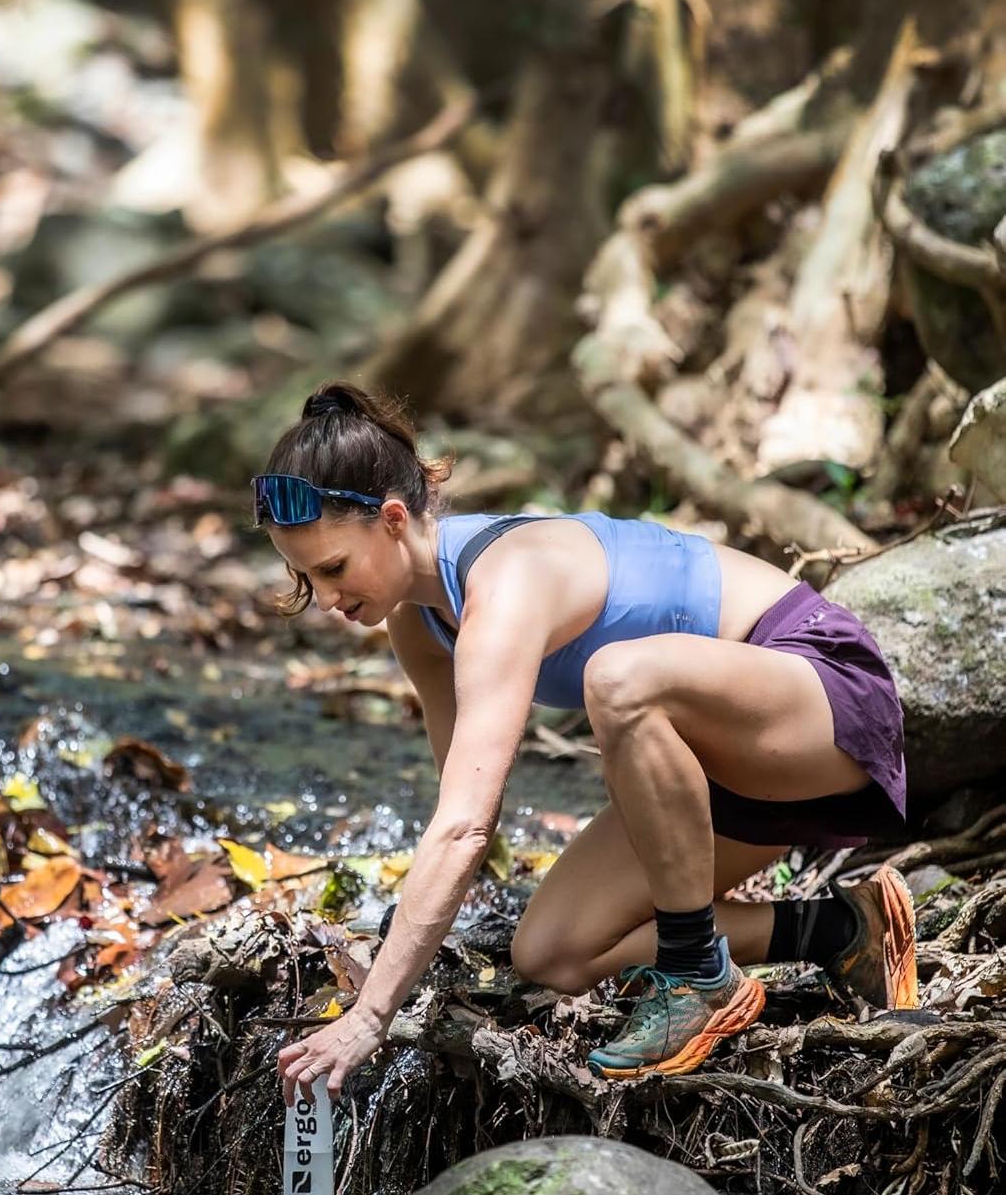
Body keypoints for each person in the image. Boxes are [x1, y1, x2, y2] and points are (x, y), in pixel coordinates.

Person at [258, 383, 918, 1102]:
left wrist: (372, 1012)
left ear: (392, 520)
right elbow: (467, 805)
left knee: (620, 679)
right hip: (723, 783)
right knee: (552, 952)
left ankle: (701, 978)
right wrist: (413, 937)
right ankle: (843, 929)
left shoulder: (505, 581)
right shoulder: (418, 622)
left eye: (332, 570)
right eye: (304, 576)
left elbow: (464, 831)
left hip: (823, 698)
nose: (324, 598)